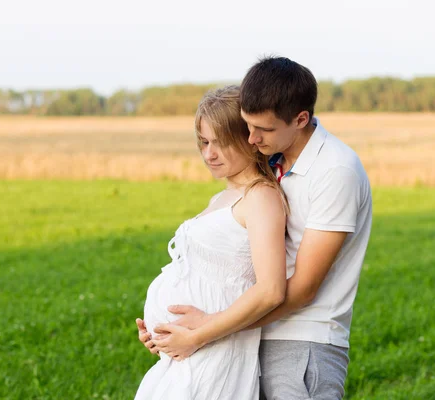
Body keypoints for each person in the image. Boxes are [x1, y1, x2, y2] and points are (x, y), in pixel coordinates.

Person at [138, 57, 373, 399]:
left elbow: (303, 288)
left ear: (301, 119)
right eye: (247, 126)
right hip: (249, 335)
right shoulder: (276, 161)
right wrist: (172, 330)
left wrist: (204, 328)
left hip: (300, 338)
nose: (251, 138)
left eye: (261, 129)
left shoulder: (335, 171)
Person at [134, 85, 289, 399]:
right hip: (188, 357)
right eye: (204, 142)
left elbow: (271, 290)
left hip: (216, 354)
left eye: (222, 143)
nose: (209, 154)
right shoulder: (222, 197)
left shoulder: (260, 197)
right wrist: (161, 332)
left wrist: (195, 337)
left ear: (251, 139)